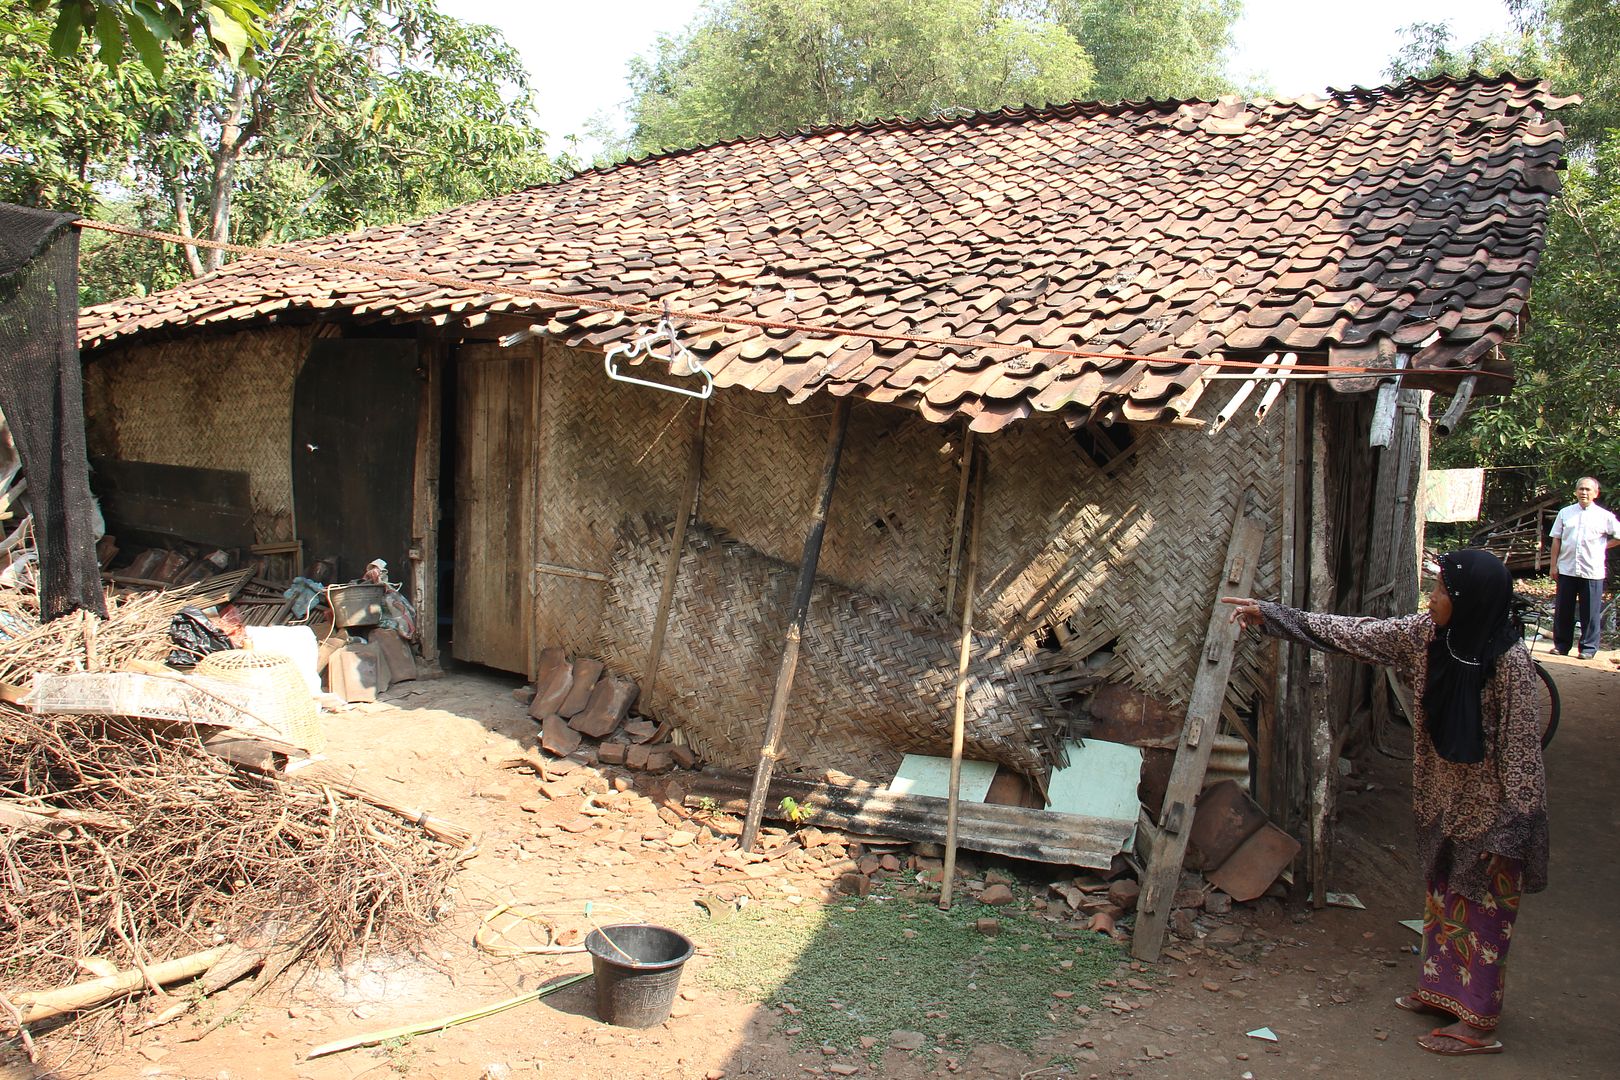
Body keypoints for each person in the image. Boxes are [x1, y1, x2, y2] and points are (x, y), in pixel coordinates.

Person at [1223, 549, 1548, 1058]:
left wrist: (1512, 832)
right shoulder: (1428, 637)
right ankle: (1443, 991)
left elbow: (1525, 759)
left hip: (1492, 812)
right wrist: (1273, 615)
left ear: (1469, 602)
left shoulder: (1510, 667)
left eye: (1442, 592)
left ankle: (1478, 1024)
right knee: (1443, 896)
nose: (1433, 598)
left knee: (1484, 910)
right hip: (1444, 798)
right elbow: (1356, 634)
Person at [1547, 476, 1620, 659]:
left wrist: (1602, 546)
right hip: (1567, 569)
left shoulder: (1604, 516)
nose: (1584, 492)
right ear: (1575, 492)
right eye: (1581, 489)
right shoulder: (1565, 513)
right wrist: (1553, 565)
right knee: (1564, 610)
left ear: (1596, 493)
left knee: (1590, 612)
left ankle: (1588, 648)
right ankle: (1561, 645)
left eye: (1588, 490)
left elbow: (1618, 536)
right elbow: (1557, 538)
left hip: (1591, 571)